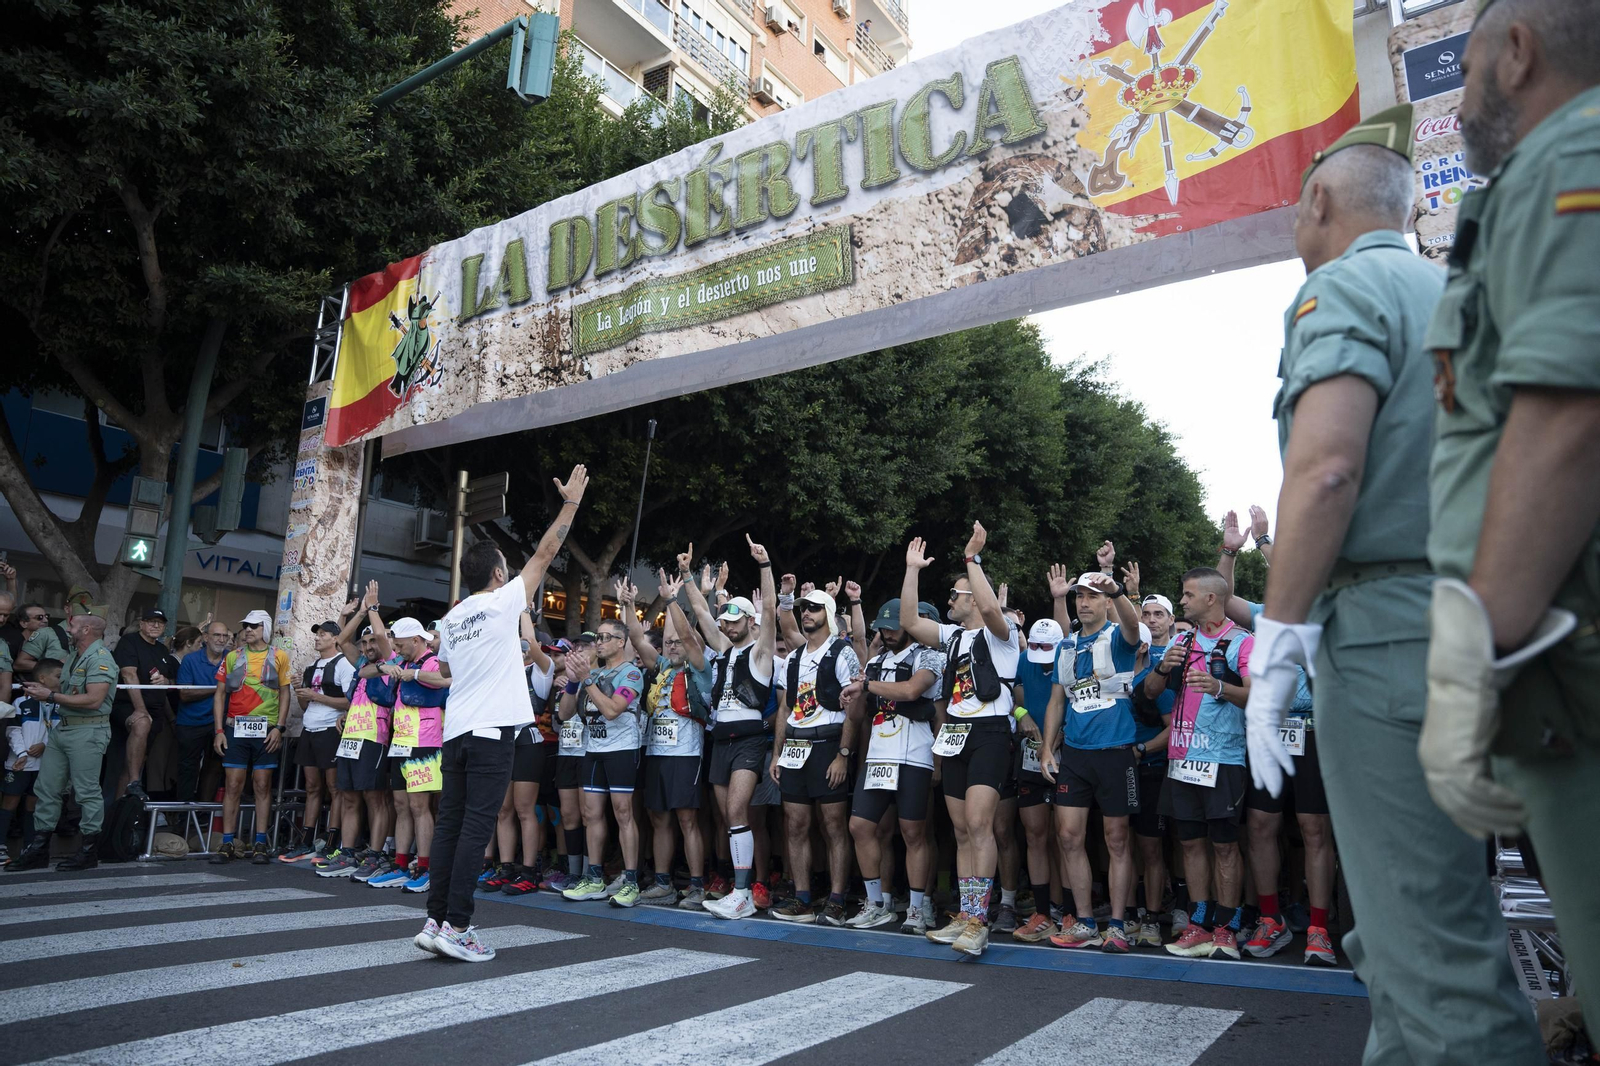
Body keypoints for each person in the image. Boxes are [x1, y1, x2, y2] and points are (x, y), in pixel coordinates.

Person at [1239, 96, 1552, 1064]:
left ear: (1323, 199)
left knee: (1434, 957)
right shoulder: (1460, 290)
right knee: (1400, 934)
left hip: (1385, 635)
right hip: (1502, 612)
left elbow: (1327, 469)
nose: (1296, 231)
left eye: (1297, 210)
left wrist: (1279, 636)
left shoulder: (1337, 293)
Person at [1417, 0, 1600, 1031]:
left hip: (1572, 651)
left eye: (1466, 72)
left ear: (1517, 52)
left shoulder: (1568, 154)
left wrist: (1469, 652)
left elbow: (1568, 410)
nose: (1455, 106)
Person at [415, 463, 587, 963]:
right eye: (506, 570)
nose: (514, 575)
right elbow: (547, 551)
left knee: (451, 824)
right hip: (491, 732)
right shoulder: (502, 601)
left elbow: (445, 668)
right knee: (475, 825)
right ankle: (459, 925)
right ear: (496, 574)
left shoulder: (451, 619)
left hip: (456, 730)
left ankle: (436, 918)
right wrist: (571, 503)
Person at [897, 523, 1021, 959]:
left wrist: (973, 560)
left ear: (974, 596)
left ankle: (978, 922)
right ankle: (968, 914)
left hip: (988, 733)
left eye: (956, 594)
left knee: (982, 825)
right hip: (954, 735)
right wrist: (912, 570)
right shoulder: (952, 636)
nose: (950, 600)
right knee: (963, 829)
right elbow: (910, 620)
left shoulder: (1002, 635)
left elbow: (990, 611)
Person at [1143, 568, 1251, 959]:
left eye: (1188, 595)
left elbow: (1258, 697)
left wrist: (1220, 687)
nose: (1182, 601)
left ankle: (1226, 927)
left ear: (1210, 599)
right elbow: (1151, 694)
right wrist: (1162, 667)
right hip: (1181, 759)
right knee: (1190, 845)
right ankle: (1198, 923)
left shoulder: (1242, 642)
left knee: (1224, 847)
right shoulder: (1184, 642)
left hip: (1223, 759)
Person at [1042, 564, 1144, 953]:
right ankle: (1084, 922)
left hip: (1116, 751)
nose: (1084, 603)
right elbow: (1056, 700)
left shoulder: (1118, 636)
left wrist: (1117, 590)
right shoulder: (1066, 645)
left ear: (1105, 602)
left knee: (1117, 840)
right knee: (1068, 837)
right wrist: (1048, 747)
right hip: (1076, 756)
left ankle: (1117, 925)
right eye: (1080, 596)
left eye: (1092, 596)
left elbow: (1134, 628)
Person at [690, 540, 780, 921]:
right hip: (720, 740)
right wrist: (685, 576)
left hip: (748, 739)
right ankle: (739, 889)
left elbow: (772, 611)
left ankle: (743, 891)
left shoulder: (761, 651)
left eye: (733, 618)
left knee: (737, 809)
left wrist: (765, 564)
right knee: (730, 817)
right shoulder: (725, 651)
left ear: (749, 622)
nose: (726, 623)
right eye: (724, 619)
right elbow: (699, 611)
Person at [843, 598, 944, 934]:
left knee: (913, 832)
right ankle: (875, 904)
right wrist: (852, 698)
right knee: (859, 826)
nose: (886, 633)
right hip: (878, 756)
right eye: (882, 627)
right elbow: (861, 714)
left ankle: (916, 908)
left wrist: (867, 685)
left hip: (914, 755)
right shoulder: (874, 663)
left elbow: (913, 691)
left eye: (893, 627)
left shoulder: (927, 655)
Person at [770, 583, 862, 926]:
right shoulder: (793, 657)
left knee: (834, 826)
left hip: (827, 745)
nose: (806, 612)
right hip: (795, 747)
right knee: (795, 824)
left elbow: (854, 706)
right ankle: (803, 897)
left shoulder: (841, 652)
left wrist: (843, 754)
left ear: (828, 615)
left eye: (813, 607)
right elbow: (785, 708)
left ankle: (837, 899)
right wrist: (776, 754)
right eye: (803, 608)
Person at [620, 573, 712, 908]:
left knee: (687, 820)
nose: (673, 646)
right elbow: (637, 638)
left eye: (678, 642)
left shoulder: (700, 668)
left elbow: (688, 636)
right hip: (657, 751)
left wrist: (674, 601)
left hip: (686, 754)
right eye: (668, 642)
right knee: (658, 817)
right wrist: (628, 606)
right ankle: (663, 883)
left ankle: (698, 886)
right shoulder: (660, 668)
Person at [5, 614, 118, 872]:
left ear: (86, 629)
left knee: (87, 792)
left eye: (71, 626)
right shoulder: (75, 656)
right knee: (46, 789)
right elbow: (67, 691)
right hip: (63, 729)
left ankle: (88, 850)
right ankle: (39, 848)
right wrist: (42, 689)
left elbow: (94, 700)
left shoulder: (100, 658)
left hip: (88, 731)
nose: (67, 630)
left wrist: (51, 695)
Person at [558, 617, 645, 906]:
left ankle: (631, 881)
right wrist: (573, 682)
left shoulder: (630, 674)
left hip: (621, 749)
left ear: (621, 642)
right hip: (593, 750)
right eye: (598, 637)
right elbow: (564, 714)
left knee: (623, 814)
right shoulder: (590, 674)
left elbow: (612, 711)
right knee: (590, 814)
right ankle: (594, 878)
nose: (600, 642)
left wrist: (586, 679)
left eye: (607, 637)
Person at [209, 610, 291, 865]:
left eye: (254, 626)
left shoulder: (279, 656)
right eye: (246, 626)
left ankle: (260, 842)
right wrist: (219, 731)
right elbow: (220, 694)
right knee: (232, 785)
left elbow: (286, 693)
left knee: (262, 785)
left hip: (266, 729)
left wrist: (279, 727)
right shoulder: (233, 656)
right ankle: (227, 842)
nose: (248, 630)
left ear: (264, 628)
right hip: (236, 727)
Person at [1010, 605, 1064, 943]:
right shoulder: (1023, 659)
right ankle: (1043, 911)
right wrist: (1021, 713)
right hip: (1030, 754)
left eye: (1047, 648)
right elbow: (1014, 689)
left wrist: (1053, 742)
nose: (1040, 654)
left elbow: (1071, 703)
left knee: (1066, 837)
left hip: (1062, 751)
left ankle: (1066, 909)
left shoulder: (1067, 659)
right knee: (1034, 835)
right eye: (1036, 647)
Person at [282, 621, 354, 862]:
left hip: (330, 730)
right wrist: (300, 691)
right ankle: (306, 840)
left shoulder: (344, 665)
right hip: (309, 728)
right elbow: (305, 706)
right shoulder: (312, 667)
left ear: (335, 639)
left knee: (335, 789)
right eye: (317, 635)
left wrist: (316, 696)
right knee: (312, 787)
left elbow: (351, 701)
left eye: (323, 634)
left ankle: (332, 842)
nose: (317, 638)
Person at [110, 608, 178, 802]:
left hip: (156, 710)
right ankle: (134, 782)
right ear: (141, 624)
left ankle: (122, 813)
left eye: (160, 622)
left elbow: (173, 682)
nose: (156, 625)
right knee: (141, 723)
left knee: (136, 762)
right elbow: (128, 674)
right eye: (151, 621)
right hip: (127, 705)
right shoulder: (129, 642)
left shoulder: (163, 650)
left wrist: (166, 682)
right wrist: (140, 709)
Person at [0, 658, 60, 862]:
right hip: (19, 762)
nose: (62, 680)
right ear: (42, 678)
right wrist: (22, 753)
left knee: (33, 805)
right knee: (10, 802)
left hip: (44, 764)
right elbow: (13, 731)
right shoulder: (21, 702)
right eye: (58, 676)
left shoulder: (60, 703)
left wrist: (45, 745)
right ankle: (1, 847)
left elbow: (60, 732)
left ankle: (30, 847)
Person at [174, 622, 231, 806]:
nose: (221, 640)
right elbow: (184, 693)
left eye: (225, 636)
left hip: (219, 723)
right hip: (191, 722)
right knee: (188, 768)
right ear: (205, 637)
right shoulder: (190, 660)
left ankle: (204, 812)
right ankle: (183, 814)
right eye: (217, 635)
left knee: (214, 767)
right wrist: (218, 689)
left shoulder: (232, 659)